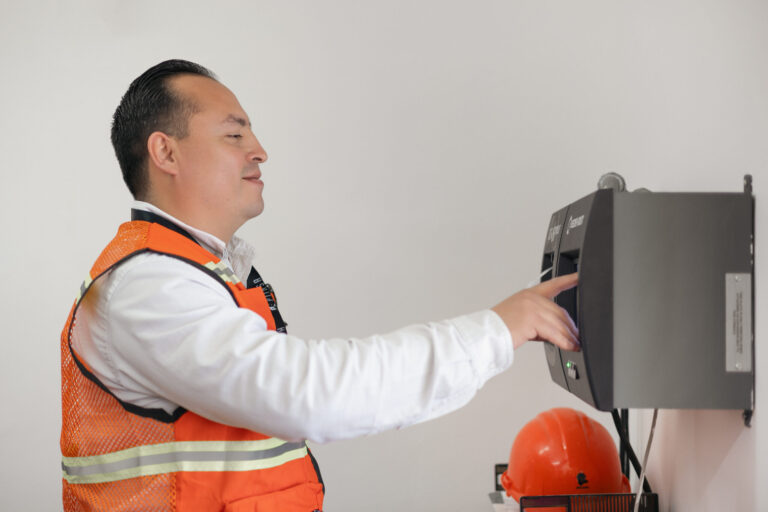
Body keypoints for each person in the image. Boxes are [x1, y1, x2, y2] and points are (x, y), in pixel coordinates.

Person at [60, 59, 579, 512]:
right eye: (235, 134)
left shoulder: (201, 272)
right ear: (166, 154)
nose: (260, 151)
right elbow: (310, 392)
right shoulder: (145, 286)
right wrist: (496, 329)